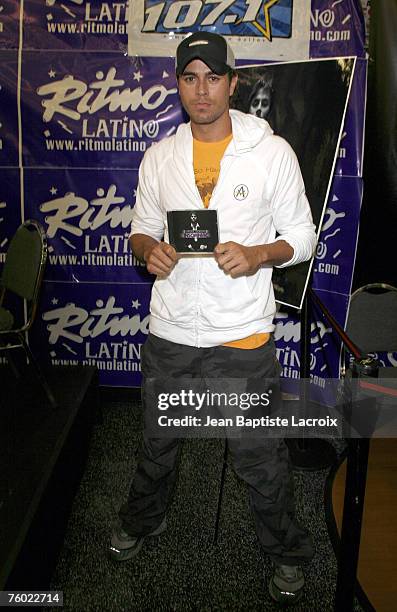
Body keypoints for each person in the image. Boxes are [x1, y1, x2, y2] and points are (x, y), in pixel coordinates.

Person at [110, 31, 316, 605]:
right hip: (172, 330)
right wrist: (146, 249)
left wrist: (258, 254)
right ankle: (144, 519)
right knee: (157, 443)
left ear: (233, 82)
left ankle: (287, 552)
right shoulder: (161, 156)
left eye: (213, 77)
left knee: (259, 456)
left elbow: (302, 236)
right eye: (189, 77)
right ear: (178, 84)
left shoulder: (270, 152)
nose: (202, 90)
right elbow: (140, 227)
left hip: (242, 336)